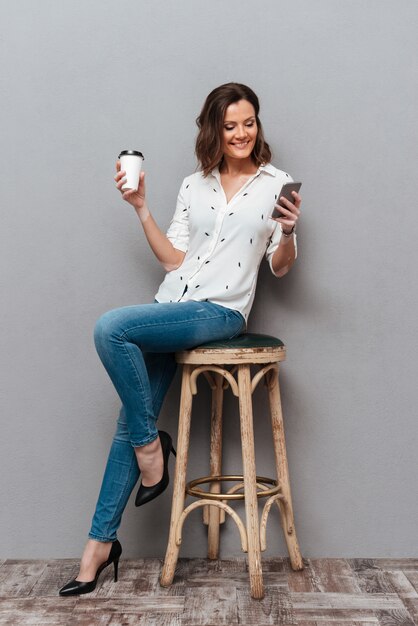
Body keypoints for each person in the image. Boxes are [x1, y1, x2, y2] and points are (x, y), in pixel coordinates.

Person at [59, 82, 302, 596]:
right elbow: (175, 260)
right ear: (214, 129)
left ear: (258, 124)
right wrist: (140, 207)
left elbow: (279, 268)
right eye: (230, 125)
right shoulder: (195, 185)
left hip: (220, 312)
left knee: (111, 328)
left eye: (249, 122)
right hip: (172, 304)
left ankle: (153, 452)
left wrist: (290, 233)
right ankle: (99, 547)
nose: (241, 133)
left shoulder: (275, 184)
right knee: (131, 418)